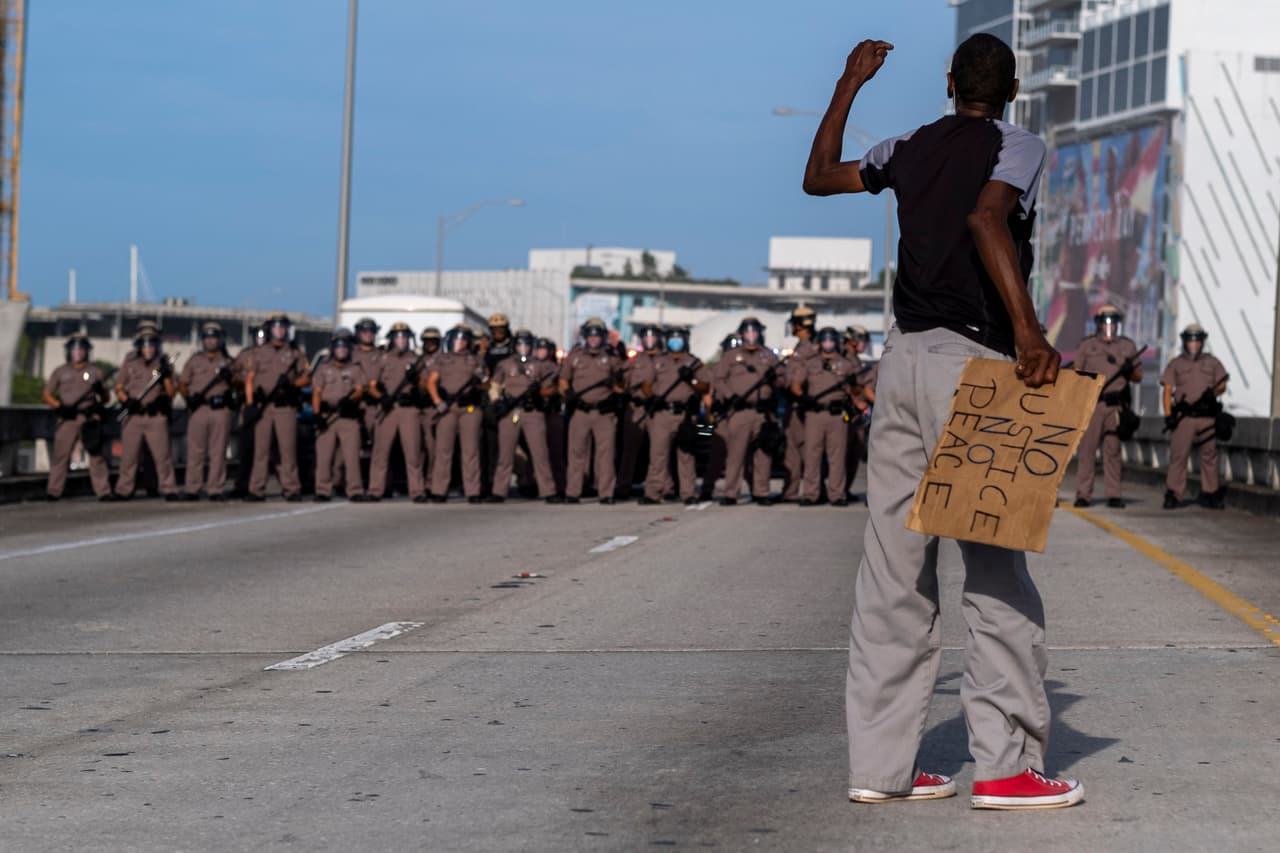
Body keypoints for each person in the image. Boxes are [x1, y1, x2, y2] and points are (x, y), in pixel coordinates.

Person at [804, 35, 1081, 808]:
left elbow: (818, 177)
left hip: (902, 361)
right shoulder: (1016, 143)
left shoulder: (906, 146)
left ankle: (880, 768)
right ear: (1014, 89)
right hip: (975, 367)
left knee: (892, 571)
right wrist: (1030, 332)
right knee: (994, 570)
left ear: (950, 82)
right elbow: (988, 219)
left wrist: (849, 82)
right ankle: (1004, 766)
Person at [1072, 306, 1142, 508]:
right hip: (1094, 404)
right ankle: (1083, 494)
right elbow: (1077, 374)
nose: (1109, 326)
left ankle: (1114, 494)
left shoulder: (1127, 346)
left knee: (1113, 451)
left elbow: (1138, 377)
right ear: (1099, 323)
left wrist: (1129, 370)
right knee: (1087, 451)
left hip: (1116, 406)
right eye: (1105, 321)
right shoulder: (1087, 345)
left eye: (1113, 321)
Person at [711, 317, 779, 506]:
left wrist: (776, 378)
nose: (751, 335)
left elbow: (784, 381)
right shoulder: (731, 356)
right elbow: (718, 379)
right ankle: (731, 493)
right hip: (739, 411)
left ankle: (761, 492)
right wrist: (730, 396)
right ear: (741, 334)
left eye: (754, 331)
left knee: (763, 455)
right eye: (747, 331)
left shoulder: (768, 356)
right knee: (736, 454)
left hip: (763, 412)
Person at [638, 327, 709, 505]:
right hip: (662, 414)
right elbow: (646, 384)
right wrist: (651, 398)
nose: (675, 342)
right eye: (672, 338)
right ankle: (653, 492)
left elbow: (705, 386)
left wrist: (691, 380)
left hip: (685, 415)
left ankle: (688, 493)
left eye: (679, 338)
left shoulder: (694, 362)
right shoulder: (659, 361)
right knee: (658, 455)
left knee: (686, 456)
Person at [1161, 325, 1229, 510]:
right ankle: (1173, 493)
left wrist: (1213, 393)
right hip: (1184, 418)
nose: (1194, 344)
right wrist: (1168, 415)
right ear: (1184, 341)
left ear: (1202, 341)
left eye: (1197, 340)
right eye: (1190, 340)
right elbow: (1167, 390)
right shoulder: (1176, 364)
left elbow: (1222, 384)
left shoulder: (1212, 362)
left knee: (1209, 456)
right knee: (1179, 456)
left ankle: (1211, 493)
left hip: (1207, 417)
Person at [244, 313, 310, 502]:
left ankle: (291, 488)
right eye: (276, 326)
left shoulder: (295, 353)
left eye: (282, 327)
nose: (279, 330)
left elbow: (306, 378)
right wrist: (250, 404)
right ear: (269, 329)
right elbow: (249, 380)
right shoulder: (258, 353)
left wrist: (292, 384)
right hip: (264, 407)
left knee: (287, 450)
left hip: (285, 407)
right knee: (261, 450)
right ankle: (256, 489)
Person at [790, 326, 858, 507]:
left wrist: (854, 396)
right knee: (812, 455)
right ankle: (811, 494)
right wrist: (803, 398)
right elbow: (796, 385)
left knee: (837, 456)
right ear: (820, 342)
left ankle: (837, 494)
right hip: (815, 414)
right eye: (825, 340)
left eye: (831, 340)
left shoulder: (846, 364)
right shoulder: (810, 363)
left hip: (837, 415)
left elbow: (854, 390)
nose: (828, 343)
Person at [488, 329, 559, 502]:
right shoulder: (505, 364)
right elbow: (494, 386)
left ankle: (548, 491)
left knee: (540, 453)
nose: (523, 347)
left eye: (527, 344)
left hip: (533, 412)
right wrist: (497, 402)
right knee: (505, 454)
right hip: (510, 412)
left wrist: (539, 393)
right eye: (520, 344)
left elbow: (550, 388)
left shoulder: (539, 365)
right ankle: (499, 491)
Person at [560, 318, 623, 504]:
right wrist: (567, 394)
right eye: (590, 335)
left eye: (597, 335)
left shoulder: (611, 357)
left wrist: (616, 394)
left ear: (603, 337)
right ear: (585, 336)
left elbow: (621, 384)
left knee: (606, 454)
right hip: (581, 411)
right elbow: (563, 380)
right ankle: (573, 492)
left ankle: (606, 493)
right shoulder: (575, 356)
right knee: (576, 453)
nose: (594, 339)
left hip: (604, 412)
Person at [42, 334, 112, 501]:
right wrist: (59, 406)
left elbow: (106, 398)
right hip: (68, 418)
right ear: (69, 351)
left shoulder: (95, 371)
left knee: (95, 455)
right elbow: (46, 394)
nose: (78, 352)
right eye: (75, 349)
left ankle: (103, 491)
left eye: (82, 348)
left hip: (89, 417)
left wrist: (100, 391)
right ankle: (54, 490)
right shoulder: (60, 371)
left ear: (87, 351)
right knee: (61, 455)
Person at [113, 327, 179, 500]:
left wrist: (166, 377)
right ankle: (124, 490)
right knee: (129, 457)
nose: (148, 348)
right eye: (145, 345)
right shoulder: (130, 361)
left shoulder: (164, 362)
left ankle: (169, 489)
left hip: (155, 416)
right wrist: (127, 401)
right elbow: (119, 387)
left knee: (162, 456)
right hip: (133, 415)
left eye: (152, 344)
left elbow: (172, 392)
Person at [425, 324, 488, 503]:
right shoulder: (442, 359)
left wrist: (478, 385)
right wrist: (438, 401)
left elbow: (486, 382)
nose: (460, 343)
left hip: (469, 408)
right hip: (448, 408)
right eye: (457, 339)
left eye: (463, 339)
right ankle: (439, 490)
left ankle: (473, 490)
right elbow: (431, 382)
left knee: (471, 450)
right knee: (443, 450)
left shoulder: (475, 359)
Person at [366, 322, 427, 502]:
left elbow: (426, 385)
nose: (401, 340)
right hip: (388, 408)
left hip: (409, 409)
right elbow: (371, 385)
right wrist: (381, 397)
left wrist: (416, 382)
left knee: (413, 451)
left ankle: (417, 491)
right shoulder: (383, 358)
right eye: (398, 336)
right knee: (380, 451)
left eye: (404, 336)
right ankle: (375, 489)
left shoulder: (416, 360)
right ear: (392, 338)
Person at [178, 321, 235, 500]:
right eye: (207, 337)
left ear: (219, 339)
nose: (210, 341)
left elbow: (239, 383)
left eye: (214, 337)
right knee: (196, 451)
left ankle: (215, 489)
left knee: (218, 452)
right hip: (199, 410)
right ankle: (192, 488)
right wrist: (189, 399)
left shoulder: (227, 362)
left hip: (220, 410)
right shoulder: (194, 360)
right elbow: (183, 383)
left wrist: (231, 378)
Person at [312, 328, 369, 502]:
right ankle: (322, 490)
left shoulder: (355, 368)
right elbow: (316, 392)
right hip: (327, 417)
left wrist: (352, 399)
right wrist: (317, 415)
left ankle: (355, 490)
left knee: (351, 456)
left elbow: (360, 388)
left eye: (345, 346)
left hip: (347, 416)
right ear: (333, 348)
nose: (341, 349)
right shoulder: (323, 367)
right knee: (324, 456)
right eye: (338, 346)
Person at [617, 323, 664, 500]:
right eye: (646, 337)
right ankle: (623, 486)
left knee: (658, 452)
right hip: (636, 409)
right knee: (629, 451)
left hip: (658, 410)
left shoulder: (666, 360)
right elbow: (620, 382)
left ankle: (658, 489)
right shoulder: (634, 361)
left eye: (653, 337)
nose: (649, 340)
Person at [781, 306, 819, 502]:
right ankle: (793, 491)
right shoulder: (801, 347)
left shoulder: (810, 348)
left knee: (804, 450)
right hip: (796, 406)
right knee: (795, 450)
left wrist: (802, 397)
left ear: (799, 325)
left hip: (803, 406)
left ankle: (811, 491)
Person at [229, 324, 266, 498]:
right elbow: (233, 375)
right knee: (246, 448)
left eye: (263, 335)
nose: (260, 339)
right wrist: (239, 381)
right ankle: (242, 485)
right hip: (248, 406)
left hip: (267, 406)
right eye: (258, 336)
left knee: (269, 450)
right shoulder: (245, 355)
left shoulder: (273, 355)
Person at [844, 325, 875, 499]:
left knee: (854, 453)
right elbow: (847, 386)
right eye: (862, 340)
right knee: (844, 453)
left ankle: (844, 489)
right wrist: (857, 401)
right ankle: (838, 491)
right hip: (847, 413)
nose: (864, 344)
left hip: (857, 414)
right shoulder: (844, 358)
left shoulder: (854, 359)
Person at [535, 337, 567, 499]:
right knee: (536, 453)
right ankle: (532, 483)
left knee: (556, 452)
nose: (541, 352)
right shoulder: (531, 367)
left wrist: (551, 391)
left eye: (544, 349)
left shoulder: (556, 369)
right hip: (536, 413)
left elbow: (561, 389)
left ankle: (560, 485)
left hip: (553, 412)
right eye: (539, 349)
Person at [418, 327, 443, 491]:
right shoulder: (418, 360)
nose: (430, 344)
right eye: (427, 341)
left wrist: (424, 384)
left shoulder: (444, 360)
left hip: (434, 408)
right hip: (418, 407)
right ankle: (418, 484)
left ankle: (431, 483)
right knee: (417, 450)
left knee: (433, 449)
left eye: (433, 341)